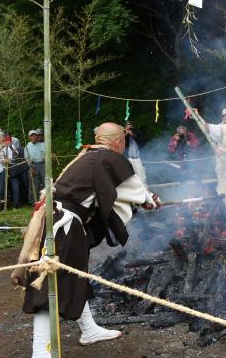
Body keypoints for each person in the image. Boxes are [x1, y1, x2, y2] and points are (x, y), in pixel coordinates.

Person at [23, 123, 159, 356]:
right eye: (123, 143)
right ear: (118, 142)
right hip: (63, 225)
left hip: (58, 220)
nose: (123, 147)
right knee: (48, 282)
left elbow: (105, 193)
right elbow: (131, 189)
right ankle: (40, 351)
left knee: (75, 273)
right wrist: (150, 200)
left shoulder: (88, 155)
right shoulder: (107, 157)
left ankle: (89, 329)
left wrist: (144, 199)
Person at [0, 131, 21, 208]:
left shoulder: (9, 144)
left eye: (3, 136)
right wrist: (2, 146)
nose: (2, 138)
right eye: (0, 137)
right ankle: (1, 205)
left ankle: (16, 204)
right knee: (1, 188)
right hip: (2, 169)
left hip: (12, 169)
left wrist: (10, 146)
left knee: (15, 187)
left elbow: (16, 154)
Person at [206, 108, 226, 196]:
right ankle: (222, 195)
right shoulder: (220, 127)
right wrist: (196, 116)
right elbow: (208, 127)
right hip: (221, 157)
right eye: (225, 116)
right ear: (222, 117)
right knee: (221, 175)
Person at [24, 130, 45, 203]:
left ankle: (46, 200)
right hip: (33, 166)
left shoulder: (43, 144)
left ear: (37, 136)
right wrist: (30, 168)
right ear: (29, 137)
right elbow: (27, 158)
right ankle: (33, 201)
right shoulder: (27, 146)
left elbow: (47, 154)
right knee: (34, 185)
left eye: (35, 135)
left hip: (43, 165)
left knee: (46, 182)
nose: (34, 137)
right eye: (32, 135)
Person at [124, 121, 147, 186]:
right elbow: (121, 146)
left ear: (133, 127)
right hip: (128, 159)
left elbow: (142, 143)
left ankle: (144, 192)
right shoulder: (124, 135)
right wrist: (125, 135)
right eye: (127, 127)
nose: (128, 129)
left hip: (138, 159)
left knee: (142, 178)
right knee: (129, 178)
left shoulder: (137, 133)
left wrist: (133, 135)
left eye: (130, 127)